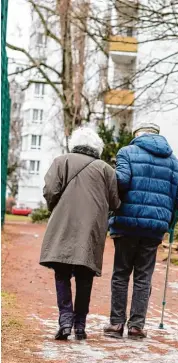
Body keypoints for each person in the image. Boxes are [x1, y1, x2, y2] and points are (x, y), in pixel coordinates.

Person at [104, 122, 178, 339]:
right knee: (144, 276)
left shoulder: (126, 152)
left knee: (121, 274)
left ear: (137, 135)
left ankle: (116, 325)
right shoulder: (174, 162)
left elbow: (121, 181)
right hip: (154, 229)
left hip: (126, 224)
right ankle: (136, 326)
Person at [40, 127, 120, 341]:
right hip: (91, 229)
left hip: (63, 223)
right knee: (85, 276)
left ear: (75, 143)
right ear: (97, 147)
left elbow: (49, 191)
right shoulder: (106, 170)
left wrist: (55, 208)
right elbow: (115, 202)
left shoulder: (61, 161)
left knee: (62, 272)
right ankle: (80, 326)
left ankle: (65, 319)